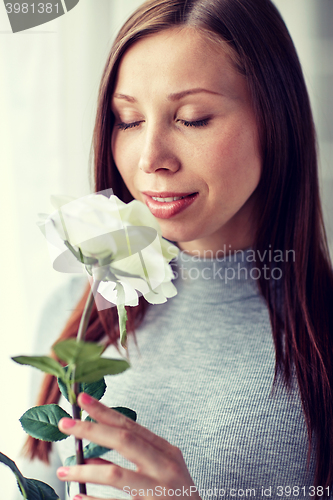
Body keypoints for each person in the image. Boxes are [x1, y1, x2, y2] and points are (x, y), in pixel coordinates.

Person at [20, 0, 333, 499]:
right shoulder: (74, 320)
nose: (150, 160)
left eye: (192, 118)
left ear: (276, 120)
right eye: (128, 120)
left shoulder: (321, 337)